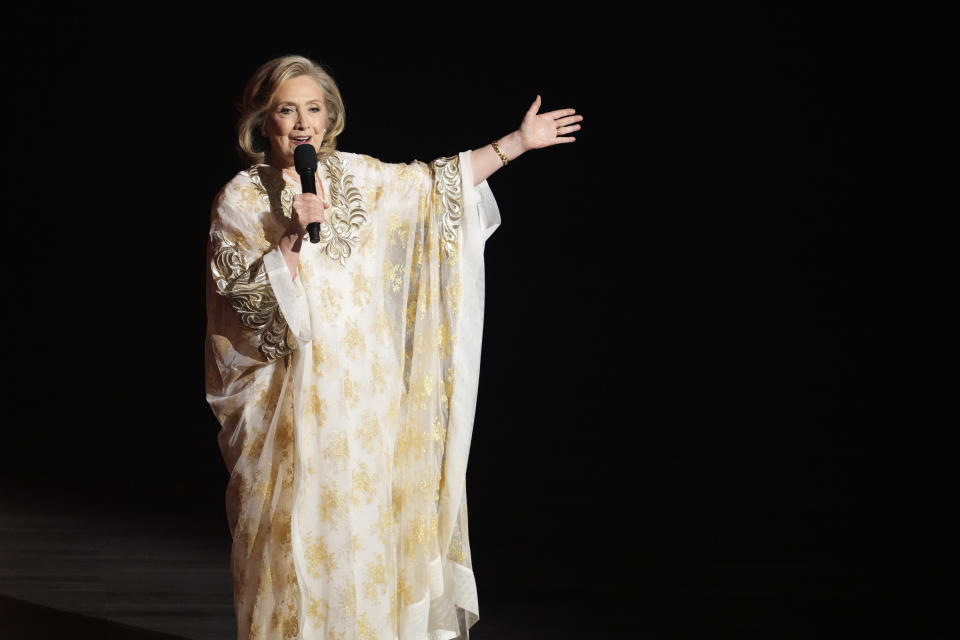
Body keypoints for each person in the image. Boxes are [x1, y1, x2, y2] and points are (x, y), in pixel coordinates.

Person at [204, 54, 582, 640]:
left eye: (314, 108)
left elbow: (436, 189)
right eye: (286, 109)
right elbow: (247, 316)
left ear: (330, 119)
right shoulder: (240, 200)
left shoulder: (361, 177)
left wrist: (517, 143)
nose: (302, 123)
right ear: (263, 121)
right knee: (305, 542)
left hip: (369, 397)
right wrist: (292, 242)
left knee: (369, 539)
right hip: (296, 409)